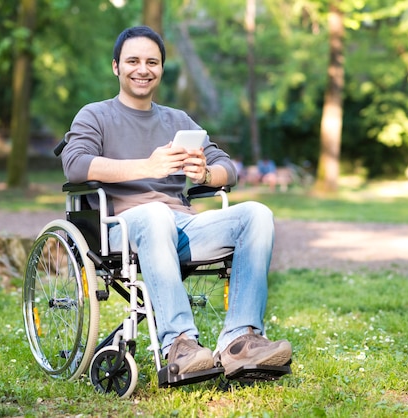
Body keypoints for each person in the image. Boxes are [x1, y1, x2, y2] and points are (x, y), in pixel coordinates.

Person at [61, 26, 291, 376]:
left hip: (181, 225)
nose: (143, 69)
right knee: (155, 214)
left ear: (161, 69)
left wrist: (204, 175)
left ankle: (241, 341)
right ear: (116, 67)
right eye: (133, 61)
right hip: (123, 227)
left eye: (152, 62)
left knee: (256, 214)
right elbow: (75, 164)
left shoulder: (177, 120)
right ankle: (179, 344)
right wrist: (148, 166)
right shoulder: (95, 115)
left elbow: (227, 167)